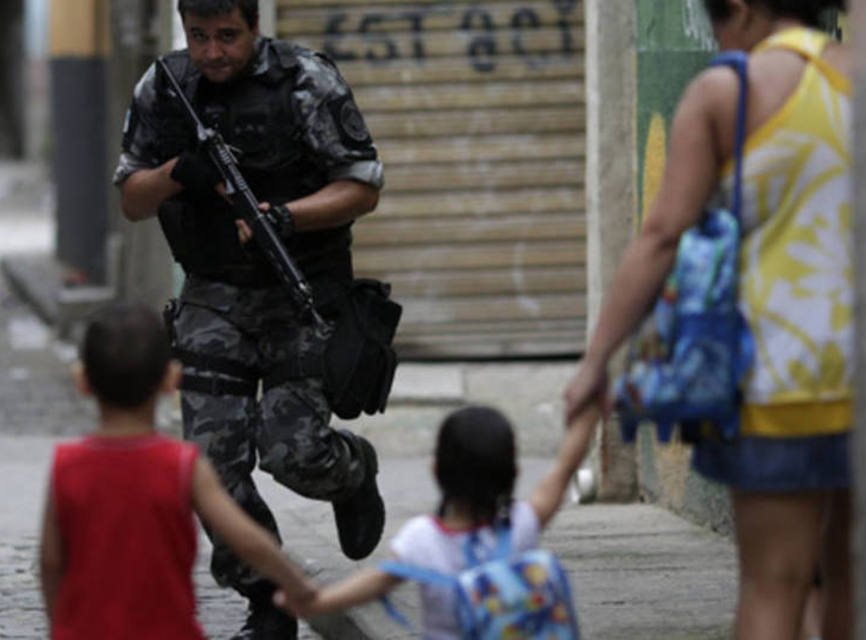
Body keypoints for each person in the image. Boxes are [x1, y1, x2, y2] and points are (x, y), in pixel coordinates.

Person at [563, 1, 852, 639]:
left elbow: (663, 234)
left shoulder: (732, 89)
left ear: (742, 10)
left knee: (774, 585)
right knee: (850, 586)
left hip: (775, 379)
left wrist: (595, 363)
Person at [112, 1, 385, 637]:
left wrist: (285, 216)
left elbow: (363, 185)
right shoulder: (165, 87)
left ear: (255, 27)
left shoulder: (306, 81)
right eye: (200, 36)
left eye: (228, 37)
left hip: (302, 295)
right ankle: (267, 601)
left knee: (292, 452)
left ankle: (352, 471)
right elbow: (131, 199)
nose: (213, 53)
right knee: (209, 466)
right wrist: (179, 173)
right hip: (214, 297)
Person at [38, 303, 318, 640]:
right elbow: (245, 539)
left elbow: (51, 561)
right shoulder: (183, 466)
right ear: (171, 380)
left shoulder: (66, 466)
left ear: (82, 381)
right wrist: (297, 585)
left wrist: (60, 625)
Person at [273, 404, 600, 638]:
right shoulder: (520, 526)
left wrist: (314, 601)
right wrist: (590, 409)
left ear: (435, 472)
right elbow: (562, 471)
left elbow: (374, 584)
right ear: (513, 474)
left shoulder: (423, 539)